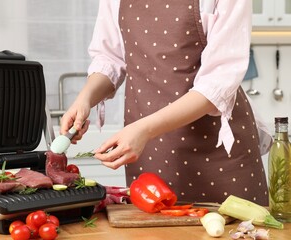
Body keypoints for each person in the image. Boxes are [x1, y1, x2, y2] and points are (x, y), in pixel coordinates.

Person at [59, 0, 272, 205]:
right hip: (149, 149)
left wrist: (144, 129)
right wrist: (84, 99)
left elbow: (217, 84)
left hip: (217, 150)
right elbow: (110, 59)